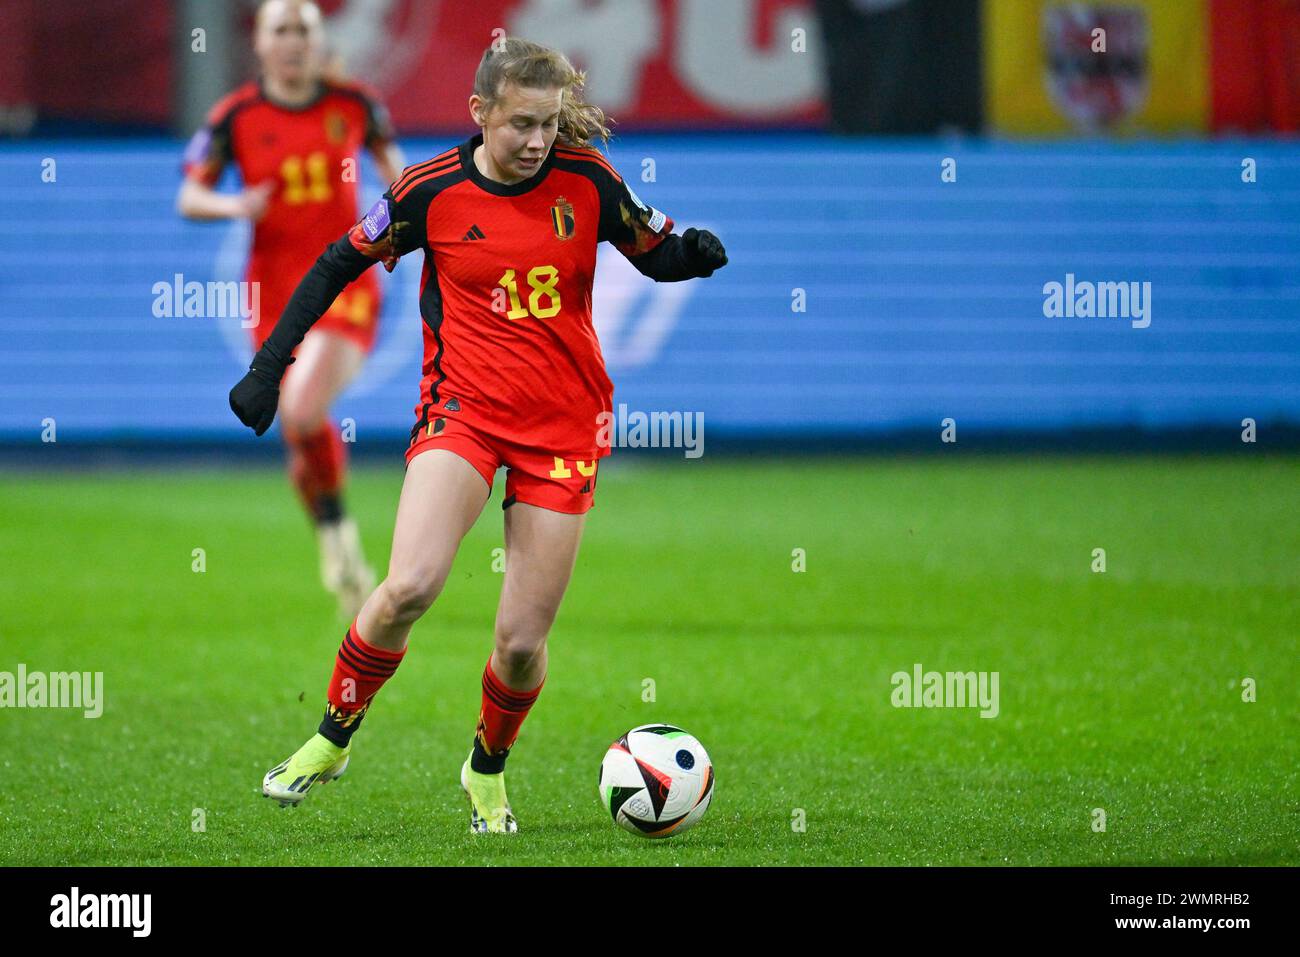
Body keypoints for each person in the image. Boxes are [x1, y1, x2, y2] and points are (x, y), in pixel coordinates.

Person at [231, 37, 728, 833]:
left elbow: (653, 247)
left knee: (522, 643)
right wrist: (269, 369)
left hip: (565, 423)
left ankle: (485, 770)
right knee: (410, 585)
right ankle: (331, 738)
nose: (537, 142)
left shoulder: (589, 180)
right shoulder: (429, 192)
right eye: (522, 124)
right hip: (461, 412)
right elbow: (334, 263)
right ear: (480, 115)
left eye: (549, 124)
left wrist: (689, 257)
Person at [179, 0, 405, 617]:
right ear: (260, 42)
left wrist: (401, 225)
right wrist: (234, 206)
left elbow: (399, 175)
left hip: (347, 287)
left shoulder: (354, 104)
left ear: (319, 38)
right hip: (275, 299)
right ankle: (340, 549)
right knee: (298, 438)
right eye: (281, 29)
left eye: (304, 29)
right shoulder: (236, 116)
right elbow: (190, 194)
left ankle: (341, 544)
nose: (294, 41)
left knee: (302, 408)